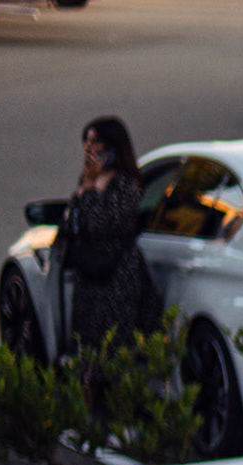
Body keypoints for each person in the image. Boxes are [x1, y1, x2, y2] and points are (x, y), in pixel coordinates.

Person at [54, 115, 160, 352]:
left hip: (116, 276)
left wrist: (90, 190)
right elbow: (70, 224)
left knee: (112, 345)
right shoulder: (87, 182)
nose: (88, 148)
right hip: (88, 277)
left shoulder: (125, 184)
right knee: (87, 346)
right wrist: (85, 189)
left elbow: (100, 224)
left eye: (95, 142)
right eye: (86, 141)